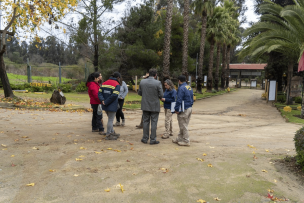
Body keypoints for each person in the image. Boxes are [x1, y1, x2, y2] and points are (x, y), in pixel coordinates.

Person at [138, 68, 163, 145]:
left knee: (146, 122)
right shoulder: (158, 83)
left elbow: (139, 93)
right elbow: (161, 95)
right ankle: (153, 139)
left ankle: (145, 138)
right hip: (155, 106)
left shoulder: (142, 82)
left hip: (145, 105)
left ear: (148, 74)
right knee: (154, 122)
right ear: (155, 75)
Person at [98, 72, 121, 140]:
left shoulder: (104, 83)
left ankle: (112, 132)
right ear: (118, 78)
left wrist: (103, 100)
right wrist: (106, 101)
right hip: (112, 105)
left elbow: (99, 93)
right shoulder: (117, 84)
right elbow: (114, 95)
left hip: (105, 105)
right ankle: (108, 134)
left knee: (110, 119)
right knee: (110, 120)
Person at [173, 75, 193, 146]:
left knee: (183, 125)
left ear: (179, 81)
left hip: (184, 109)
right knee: (183, 124)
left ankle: (186, 140)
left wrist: (176, 109)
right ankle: (179, 138)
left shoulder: (181, 88)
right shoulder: (189, 87)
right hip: (189, 107)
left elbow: (179, 99)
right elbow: (192, 97)